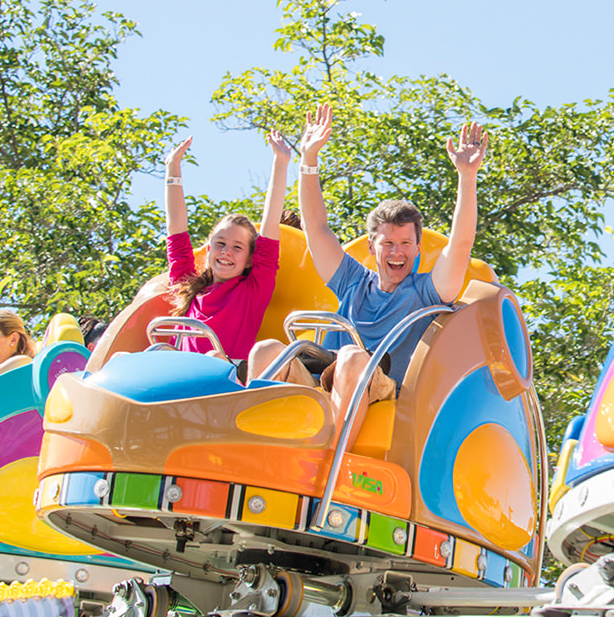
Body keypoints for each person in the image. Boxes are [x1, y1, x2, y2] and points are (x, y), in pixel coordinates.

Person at [250, 104, 486, 399]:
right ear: (372, 247)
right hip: (323, 383)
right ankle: (260, 440)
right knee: (266, 350)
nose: (396, 253)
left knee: (352, 358)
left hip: (379, 388)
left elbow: (461, 245)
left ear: (417, 249)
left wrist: (467, 176)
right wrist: (308, 159)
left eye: (404, 244)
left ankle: (333, 442)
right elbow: (316, 227)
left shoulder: (425, 292)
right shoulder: (353, 281)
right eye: (387, 243)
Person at [163, 130, 290, 360]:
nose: (226, 251)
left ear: (250, 259)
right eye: (220, 243)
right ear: (209, 249)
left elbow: (270, 224)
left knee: (213, 357)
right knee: (150, 352)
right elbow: (176, 232)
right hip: (178, 383)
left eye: (237, 247)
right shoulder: (189, 287)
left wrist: (280, 162)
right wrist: (173, 168)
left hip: (223, 385)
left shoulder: (252, 290)